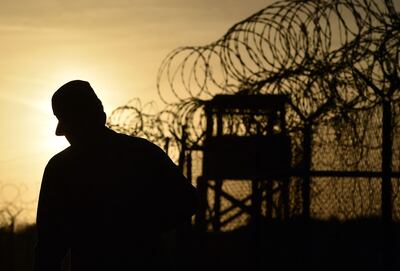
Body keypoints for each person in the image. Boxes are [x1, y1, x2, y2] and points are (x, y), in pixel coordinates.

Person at [34, 80, 198, 271]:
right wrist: (144, 227)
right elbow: (188, 201)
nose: (63, 133)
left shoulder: (61, 168)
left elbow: (49, 246)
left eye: (67, 123)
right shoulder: (143, 153)